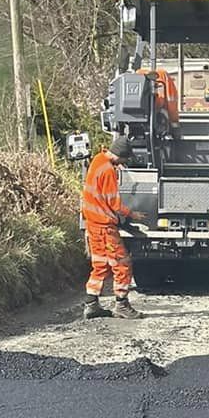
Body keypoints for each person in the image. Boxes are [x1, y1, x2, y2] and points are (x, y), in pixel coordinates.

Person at [81, 131, 138, 320]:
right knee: (122, 264)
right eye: (123, 159)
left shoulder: (98, 159)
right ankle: (121, 304)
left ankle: (91, 304)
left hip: (92, 223)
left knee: (100, 264)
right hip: (105, 226)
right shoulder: (108, 171)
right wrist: (132, 214)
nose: (122, 163)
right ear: (119, 155)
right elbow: (114, 203)